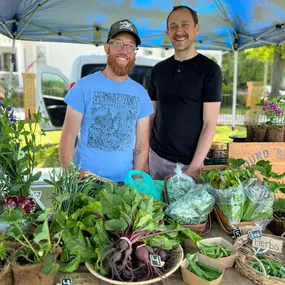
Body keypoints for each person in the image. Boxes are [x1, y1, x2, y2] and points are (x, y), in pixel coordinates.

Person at [59, 19, 154, 182]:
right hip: (85, 182)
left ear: (134, 53)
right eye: (118, 43)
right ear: (106, 47)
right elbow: (68, 137)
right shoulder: (84, 87)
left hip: (123, 183)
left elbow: (142, 143)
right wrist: (72, 178)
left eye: (130, 45)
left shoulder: (141, 94)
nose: (124, 50)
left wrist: (135, 178)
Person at [148, 5, 222, 181]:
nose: (179, 31)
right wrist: (143, 158)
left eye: (185, 24)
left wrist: (195, 168)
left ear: (196, 29)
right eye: (173, 26)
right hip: (156, 159)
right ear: (167, 32)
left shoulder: (210, 71)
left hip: (189, 165)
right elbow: (150, 117)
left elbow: (209, 124)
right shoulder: (158, 70)